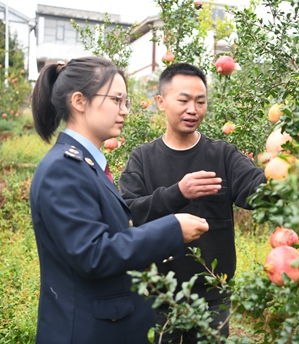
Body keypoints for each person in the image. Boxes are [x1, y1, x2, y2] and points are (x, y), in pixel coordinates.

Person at [29, 56, 209, 344]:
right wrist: (171, 229)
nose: (124, 110)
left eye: (125, 101)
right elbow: (93, 255)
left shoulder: (85, 165)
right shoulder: (64, 169)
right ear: (79, 101)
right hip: (86, 331)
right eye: (116, 100)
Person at [119, 62, 267, 343]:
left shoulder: (223, 155)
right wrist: (178, 193)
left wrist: (283, 173)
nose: (193, 109)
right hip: (160, 296)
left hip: (213, 295)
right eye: (184, 100)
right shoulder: (143, 158)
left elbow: (255, 191)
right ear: (161, 102)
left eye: (200, 101)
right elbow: (130, 211)